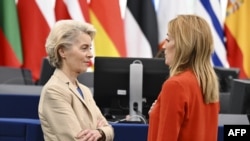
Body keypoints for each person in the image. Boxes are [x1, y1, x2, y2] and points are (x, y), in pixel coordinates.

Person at [38, 20, 114, 141]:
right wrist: (101, 132)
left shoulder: (85, 90)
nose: (90, 55)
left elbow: (109, 129)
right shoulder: (54, 90)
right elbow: (77, 139)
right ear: (62, 51)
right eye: (84, 48)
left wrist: (100, 132)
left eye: (90, 48)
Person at [147, 15, 220, 141]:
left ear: (183, 46)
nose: (164, 46)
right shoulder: (208, 85)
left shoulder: (175, 85)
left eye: (168, 40)